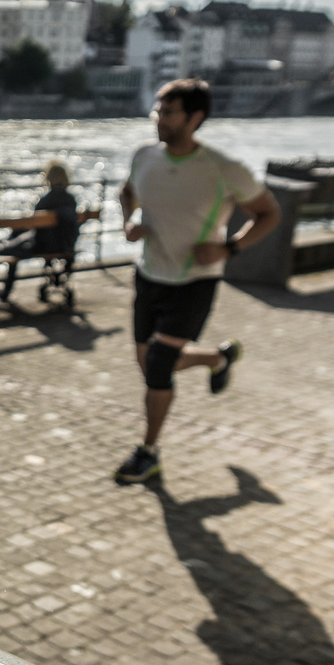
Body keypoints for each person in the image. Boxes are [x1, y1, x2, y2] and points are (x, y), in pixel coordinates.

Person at [113, 79, 280, 486]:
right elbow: (127, 194)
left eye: (169, 113)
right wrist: (130, 222)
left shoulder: (224, 169)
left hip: (194, 282)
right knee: (147, 362)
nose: (160, 119)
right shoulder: (144, 157)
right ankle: (216, 359)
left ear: (195, 118)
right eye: (158, 111)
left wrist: (230, 249)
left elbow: (270, 213)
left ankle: (148, 453)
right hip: (149, 275)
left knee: (157, 367)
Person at [0, 160, 80, 260]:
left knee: (9, 244)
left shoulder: (46, 200)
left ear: (48, 178)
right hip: (66, 244)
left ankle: (3, 258)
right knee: (17, 240)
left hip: (45, 245)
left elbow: (33, 222)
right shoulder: (71, 200)